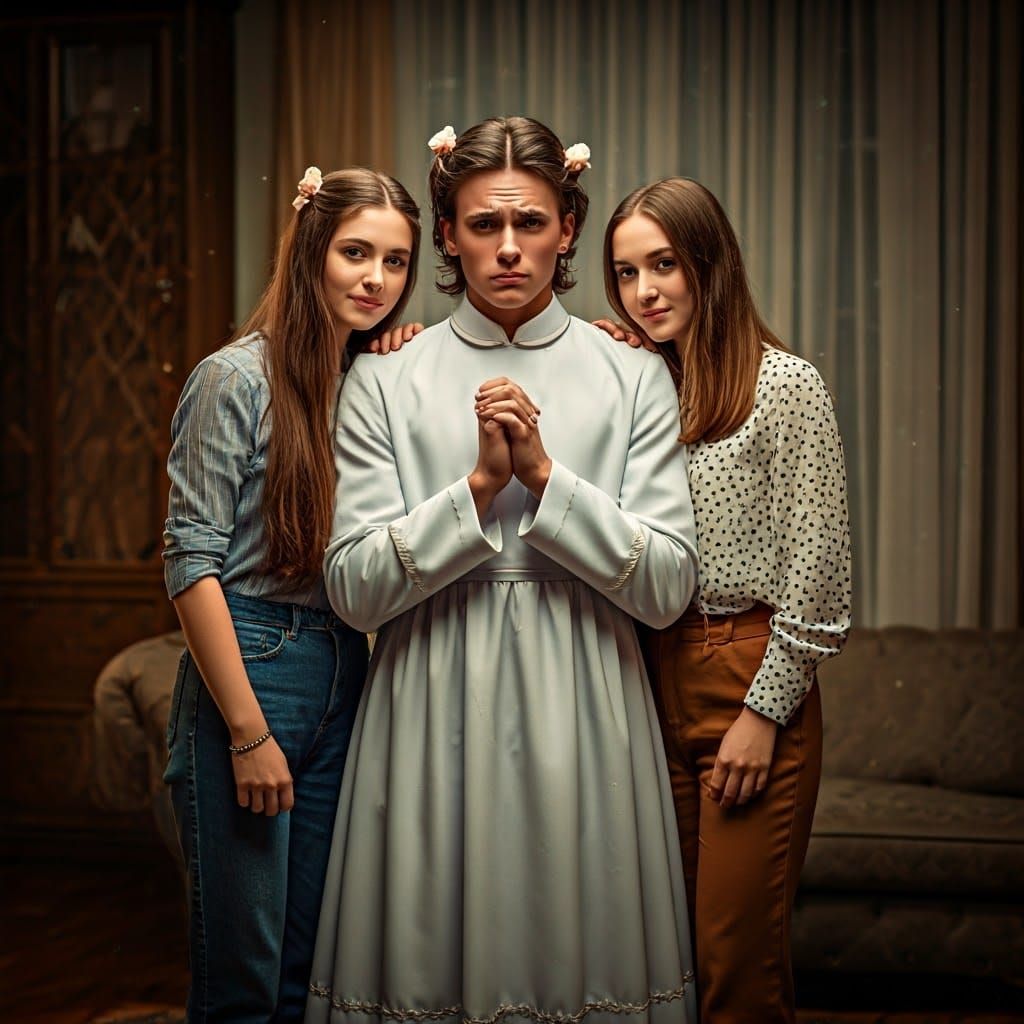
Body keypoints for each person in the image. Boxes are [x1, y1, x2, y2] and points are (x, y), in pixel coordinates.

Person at [305, 118, 700, 1024]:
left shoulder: (632, 372)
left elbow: (670, 583)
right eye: (484, 226)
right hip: (427, 695)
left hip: (588, 696)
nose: (509, 248)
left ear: (568, 228)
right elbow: (353, 586)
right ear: (447, 234)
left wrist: (546, 481)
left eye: (532, 223)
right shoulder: (382, 377)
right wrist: (480, 489)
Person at [162, 166, 421, 1023]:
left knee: (304, 970)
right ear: (311, 247)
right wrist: (246, 733)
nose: (375, 278)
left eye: (394, 260)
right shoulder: (233, 379)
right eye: (355, 252)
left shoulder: (368, 380)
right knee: (242, 970)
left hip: (344, 668)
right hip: (251, 667)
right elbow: (190, 564)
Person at [602, 177, 852, 1024]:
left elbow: (819, 581)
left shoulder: (787, 386)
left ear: (709, 262)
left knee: (734, 966)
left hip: (746, 678)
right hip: (647, 678)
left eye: (664, 265)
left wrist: (764, 713)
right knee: (665, 960)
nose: (645, 292)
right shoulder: (636, 389)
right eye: (627, 274)